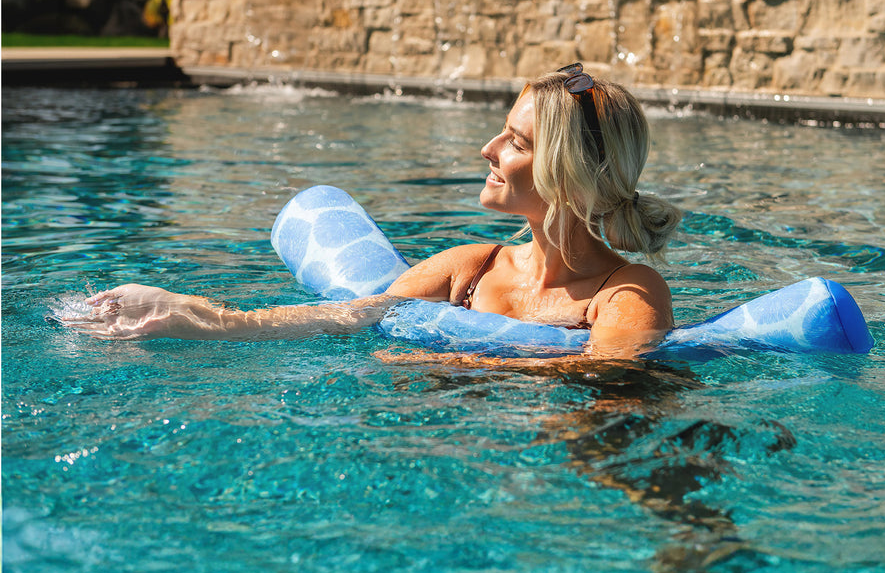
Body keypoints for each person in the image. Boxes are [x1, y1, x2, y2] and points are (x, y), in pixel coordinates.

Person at [63, 65, 683, 359]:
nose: (488, 150)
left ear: (569, 175)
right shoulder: (470, 269)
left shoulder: (624, 295)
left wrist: (471, 364)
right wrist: (187, 314)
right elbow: (339, 319)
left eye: (517, 143)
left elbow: (613, 408)